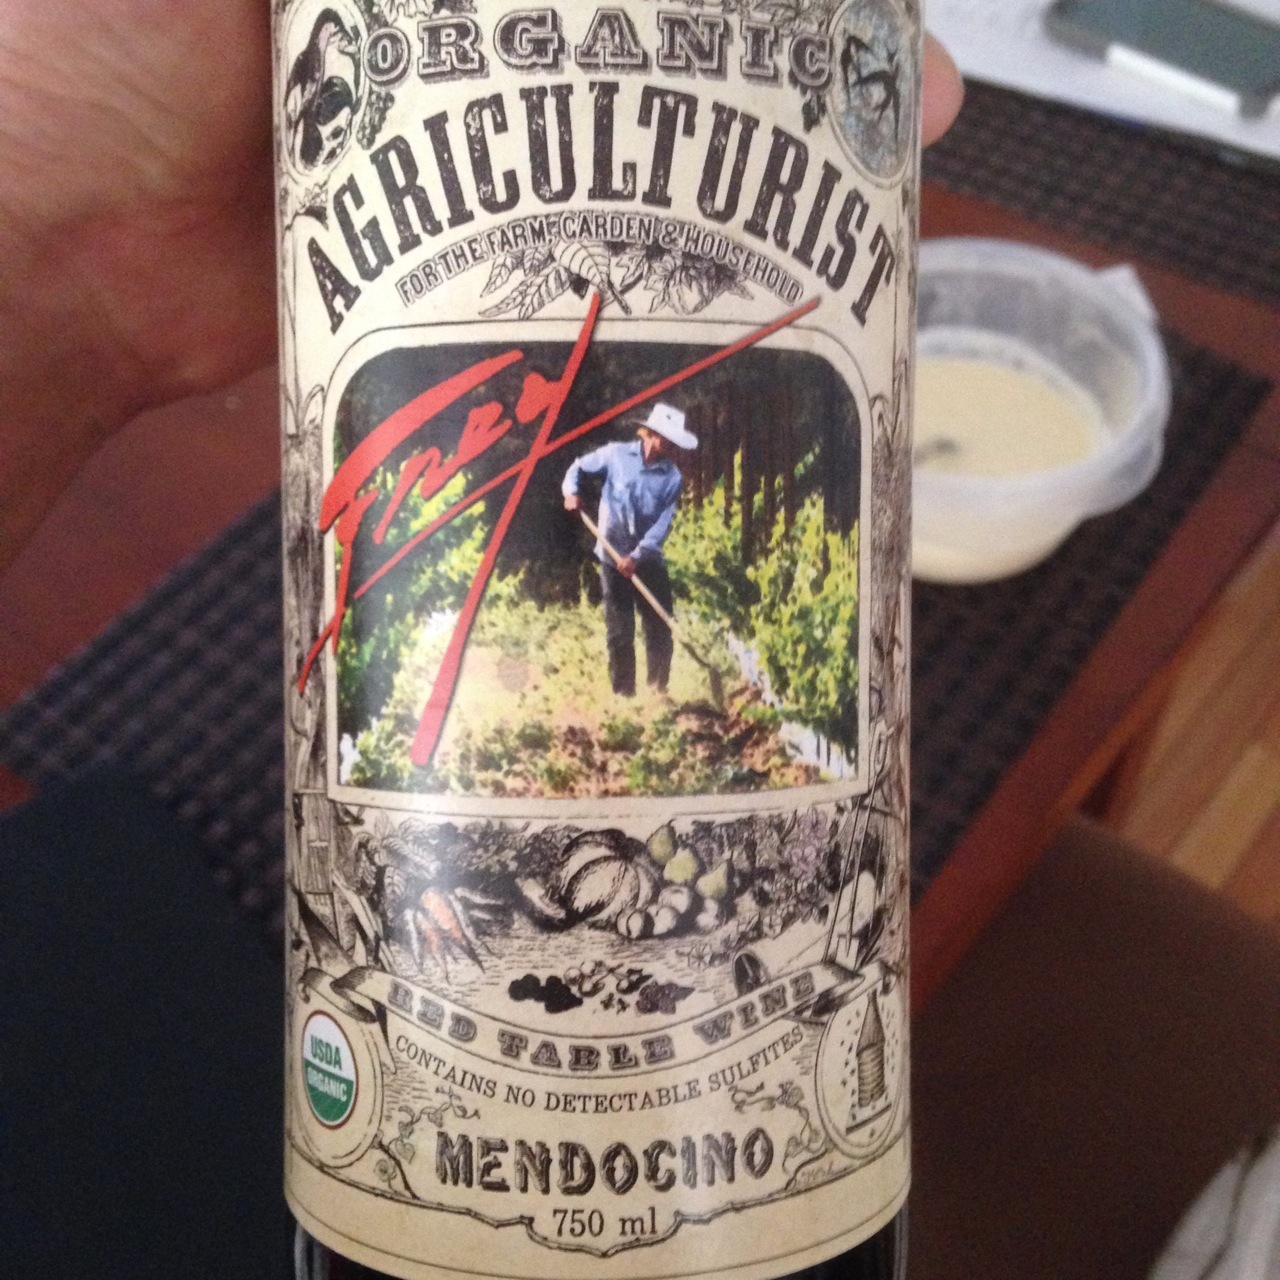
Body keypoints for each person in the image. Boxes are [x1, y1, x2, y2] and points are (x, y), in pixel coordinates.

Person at [0, 8, 962, 572]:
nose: (657, 447)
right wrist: (36, 227)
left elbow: (653, 515)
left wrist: (42, 245)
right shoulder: (618, 457)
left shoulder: (665, 481)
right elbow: (581, 479)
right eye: (659, 438)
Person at [563, 404, 697, 696]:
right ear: (649, 433)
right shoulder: (615, 455)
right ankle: (624, 695)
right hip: (611, 557)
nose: (669, 444)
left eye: (673, 440)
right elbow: (577, 467)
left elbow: (662, 525)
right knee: (620, 631)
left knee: (659, 628)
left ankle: (657, 691)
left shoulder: (672, 478)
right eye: (665, 437)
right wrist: (571, 492)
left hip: (647, 559)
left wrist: (636, 557)